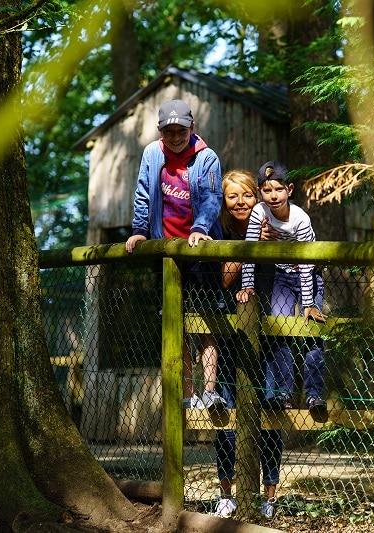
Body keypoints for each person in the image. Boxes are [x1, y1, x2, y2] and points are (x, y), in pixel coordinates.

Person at [125, 99, 226, 411]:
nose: (175, 136)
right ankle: (187, 393)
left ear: (191, 128)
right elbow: (143, 192)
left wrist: (200, 227)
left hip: (200, 250)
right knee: (176, 323)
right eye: (169, 131)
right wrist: (140, 229)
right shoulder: (152, 155)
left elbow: (213, 197)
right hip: (167, 251)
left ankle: (209, 390)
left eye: (180, 130)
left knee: (208, 321)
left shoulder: (207, 157)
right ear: (160, 131)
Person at [213, 169, 282, 519]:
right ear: (225, 201)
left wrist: (269, 244)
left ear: (257, 197)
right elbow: (224, 279)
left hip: (270, 328)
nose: (241, 202)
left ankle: (269, 495)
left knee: (271, 409)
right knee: (225, 411)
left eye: (247, 195)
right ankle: (226, 492)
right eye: (233, 196)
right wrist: (249, 247)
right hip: (230, 333)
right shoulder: (220, 231)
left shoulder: (274, 224)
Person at [236, 161, 329, 421]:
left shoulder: (301, 218)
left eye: (278, 189)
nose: (273, 196)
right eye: (267, 190)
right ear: (259, 192)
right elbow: (249, 250)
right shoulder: (258, 212)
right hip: (282, 277)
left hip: (308, 276)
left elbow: (307, 264)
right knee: (279, 330)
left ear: (289, 189)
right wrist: (247, 285)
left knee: (312, 330)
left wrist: (309, 303)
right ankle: (282, 393)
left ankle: (313, 394)